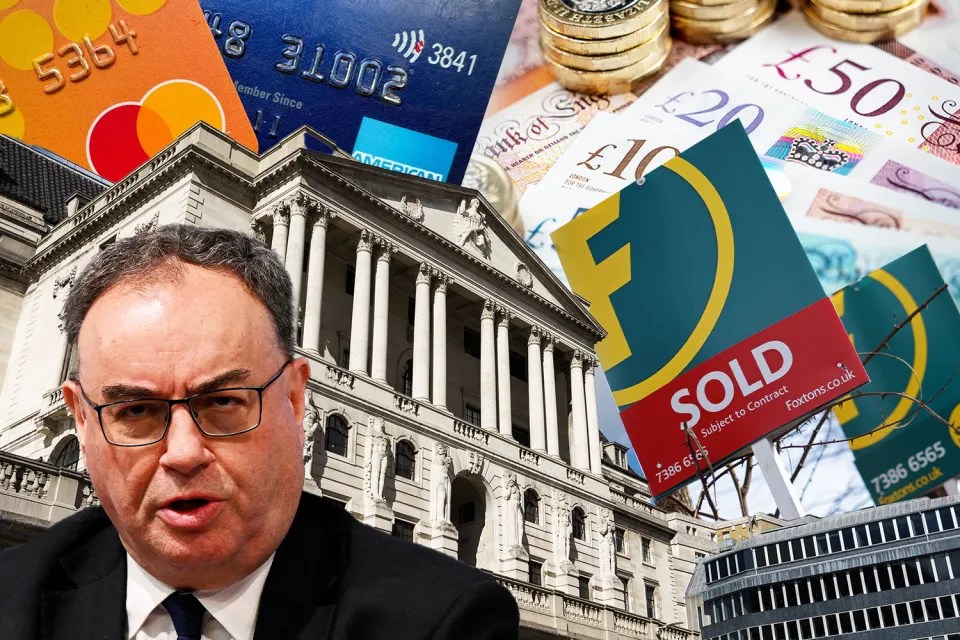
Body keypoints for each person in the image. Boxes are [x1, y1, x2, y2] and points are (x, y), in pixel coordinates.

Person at [0, 224, 519, 640]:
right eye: (135, 409)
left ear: (295, 401)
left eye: (223, 401)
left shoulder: (443, 620)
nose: (182, 454)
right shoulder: (10, 600)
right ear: (83, 419)